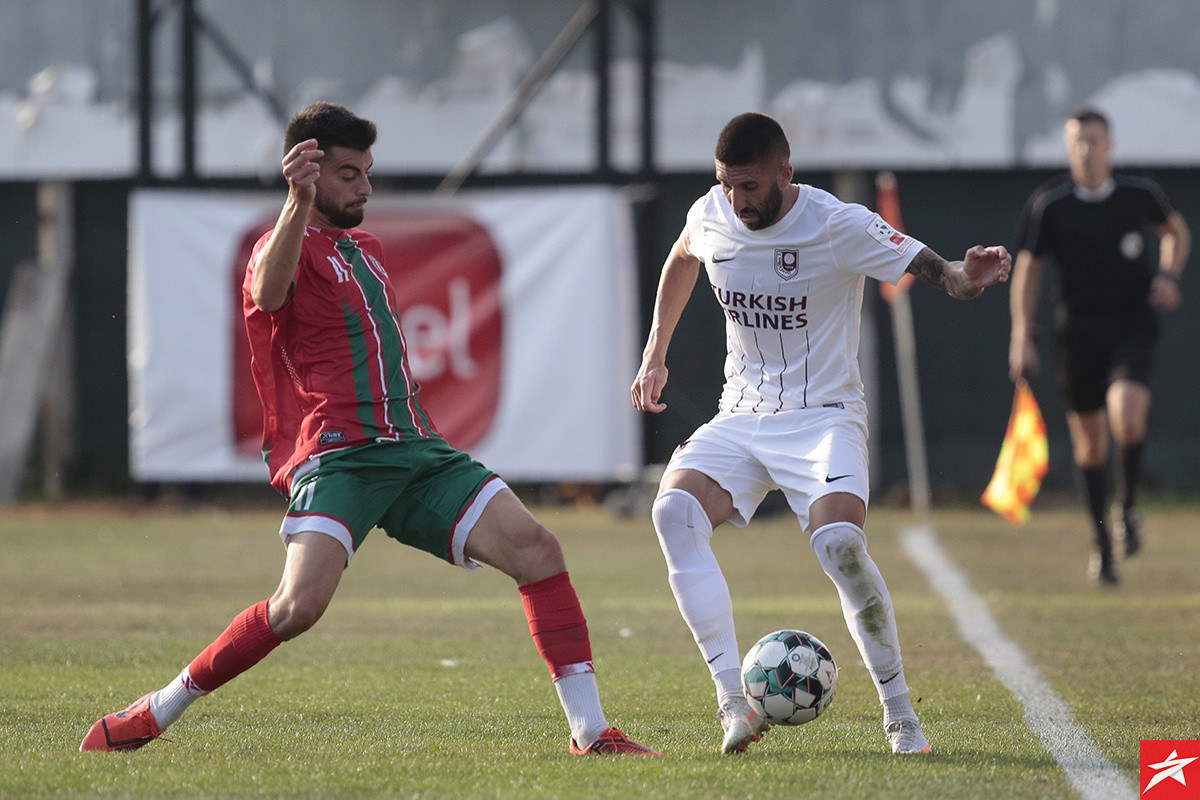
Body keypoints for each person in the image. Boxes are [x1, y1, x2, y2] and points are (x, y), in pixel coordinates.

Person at [81, 102, 659, 757]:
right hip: (342, 459)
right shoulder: (279, 246)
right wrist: (296, 201)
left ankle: (590, 732)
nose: (365, 187)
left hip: (416, 450)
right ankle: (156, 709)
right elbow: (269, 295)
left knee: (539, 549)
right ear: (309, 174)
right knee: (297, 609)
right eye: (350, 174)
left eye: (368, 172)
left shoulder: (367, 249)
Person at [630, 112, 1011, 756]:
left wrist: (966, 279)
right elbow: (682, 255)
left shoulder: (840, 223)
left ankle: (899, 715)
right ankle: (733, 704)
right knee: (672, 512)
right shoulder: (713, 213)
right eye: (726, 184)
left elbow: (939, 272)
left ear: (786, 172)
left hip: (825, 414)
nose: (736, 200)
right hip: (742, 413)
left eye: (749, 186)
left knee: (839, 546)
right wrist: (655, 351)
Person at [1009, 107, 1190, 585]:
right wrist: (1020, 332)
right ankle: (1103, 544)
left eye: (1093, 140)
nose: (1086, 150)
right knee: (1090, 447)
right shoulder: (1052, 204)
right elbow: (1029, 269)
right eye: (1076, 142)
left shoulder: (1138, 195)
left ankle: (1127, 505)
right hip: (1079, 333)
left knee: (1127, 416)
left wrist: (1169, 277)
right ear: (1068, 148)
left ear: (1109, 144)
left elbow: (1176, 231)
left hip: (1132, 325)